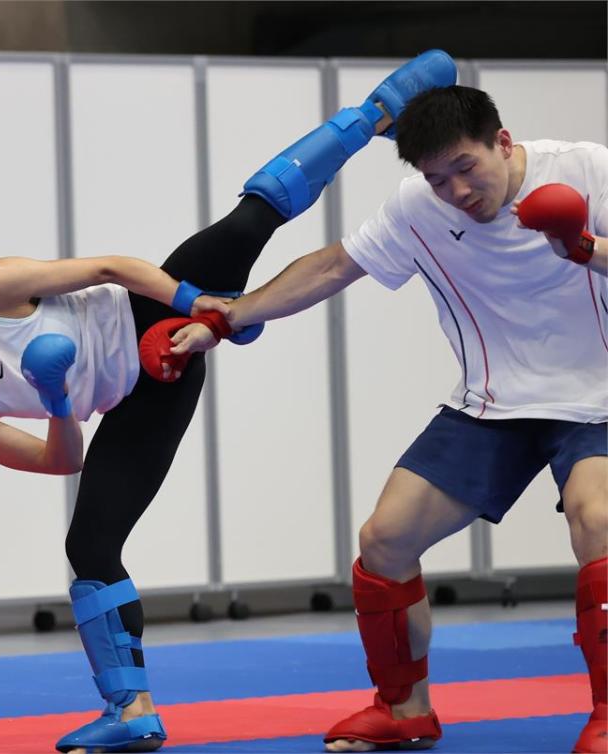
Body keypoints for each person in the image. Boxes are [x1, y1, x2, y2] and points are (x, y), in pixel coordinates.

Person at [0, 52, 455, 753]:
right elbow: (64, 461)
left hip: (149, 314)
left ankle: (373, 116)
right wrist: (57, 400)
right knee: (89, 545)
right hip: (140, 400)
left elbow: (112, 268)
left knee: (245, 225)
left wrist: (192, 302)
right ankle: (131, 709)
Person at [168, 85, 607, 753]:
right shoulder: (418, 210)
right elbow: (336, 266)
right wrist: (229, 317)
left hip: (598, 398)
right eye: (437, 179)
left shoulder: (587, 170)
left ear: (504, 142)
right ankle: (404, 710)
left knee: (598, 521)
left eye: (466, 167)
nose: (456, 190)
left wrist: (585, 246)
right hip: (495, 402)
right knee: (385, 541)